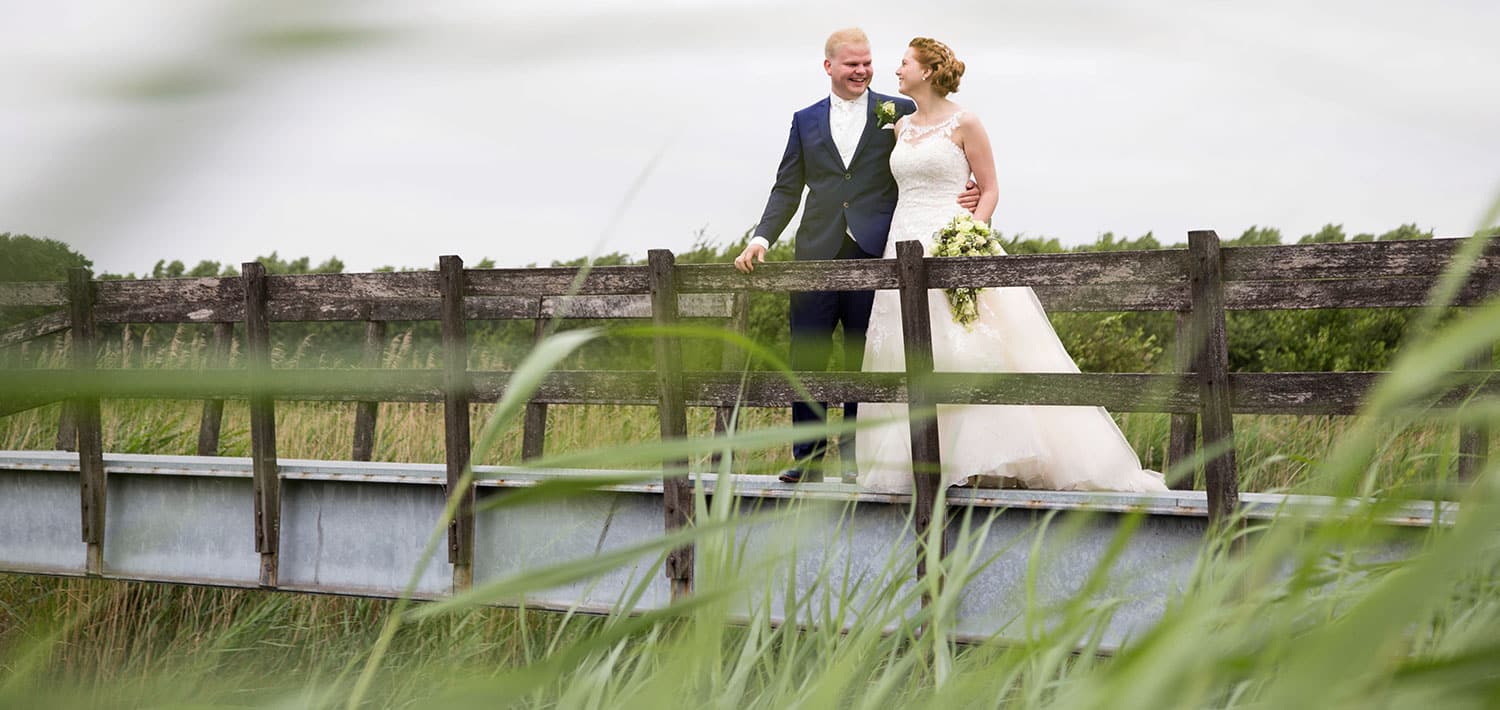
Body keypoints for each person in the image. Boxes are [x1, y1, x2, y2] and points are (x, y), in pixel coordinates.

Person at [855, 38, 1168, 493]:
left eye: (903, 62)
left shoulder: (966, 123)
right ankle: (919, 464)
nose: (896, 69)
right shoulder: (900, 127)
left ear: (925, 71)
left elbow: (991, 188)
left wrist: (970, 238)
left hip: (952, 244)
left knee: (967, 349)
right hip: (902, 244)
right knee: (906, 351)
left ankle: (984, 461)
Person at [735, 28, 979, 484]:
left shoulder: (899, 109)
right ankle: (807, 459)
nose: (862, 71)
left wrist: (969, 190)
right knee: (807, 353)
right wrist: (761, 238)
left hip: (877, 251)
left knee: (862, 355)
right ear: (829, 66)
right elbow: (786, 187)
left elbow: (941, 148)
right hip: (815, 253)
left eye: (867, 62)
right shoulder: (804, 120)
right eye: (852, 64)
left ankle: (853, 460)